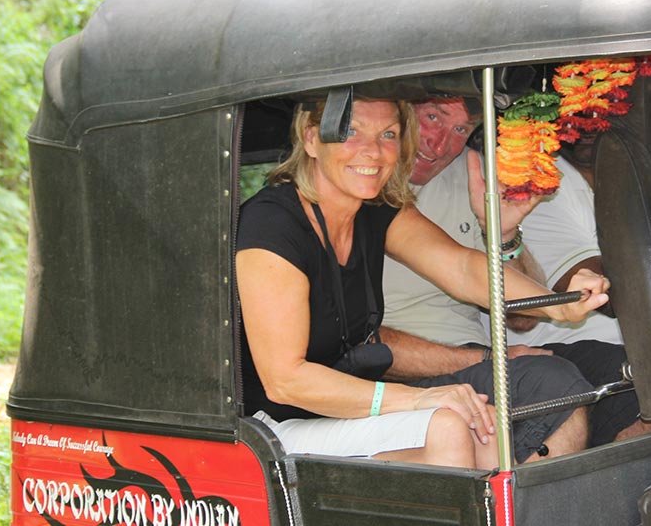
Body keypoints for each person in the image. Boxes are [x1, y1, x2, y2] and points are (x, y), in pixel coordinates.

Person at [236, 97, 609, 470]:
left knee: (485, 426)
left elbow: (461, 267)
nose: (373, 151)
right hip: (273, 424)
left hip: (346, 405)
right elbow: (286, 381)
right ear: (311, 139)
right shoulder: (272, 223)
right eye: (351, 132)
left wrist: (556, 304)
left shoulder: (373, 209)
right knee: (448, 425)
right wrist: (416, 400)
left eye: (388, 134)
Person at [382, 97, 651, 447]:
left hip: (476, 358)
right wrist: (487, 357)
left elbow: (514, 313)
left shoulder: (474, 174)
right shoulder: (368, 189)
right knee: (550, 384)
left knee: (636, 375)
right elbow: (365, 345)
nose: (438, 144)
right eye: (433, 117)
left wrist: (504, 235)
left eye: (460, 129)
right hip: (404, 369)